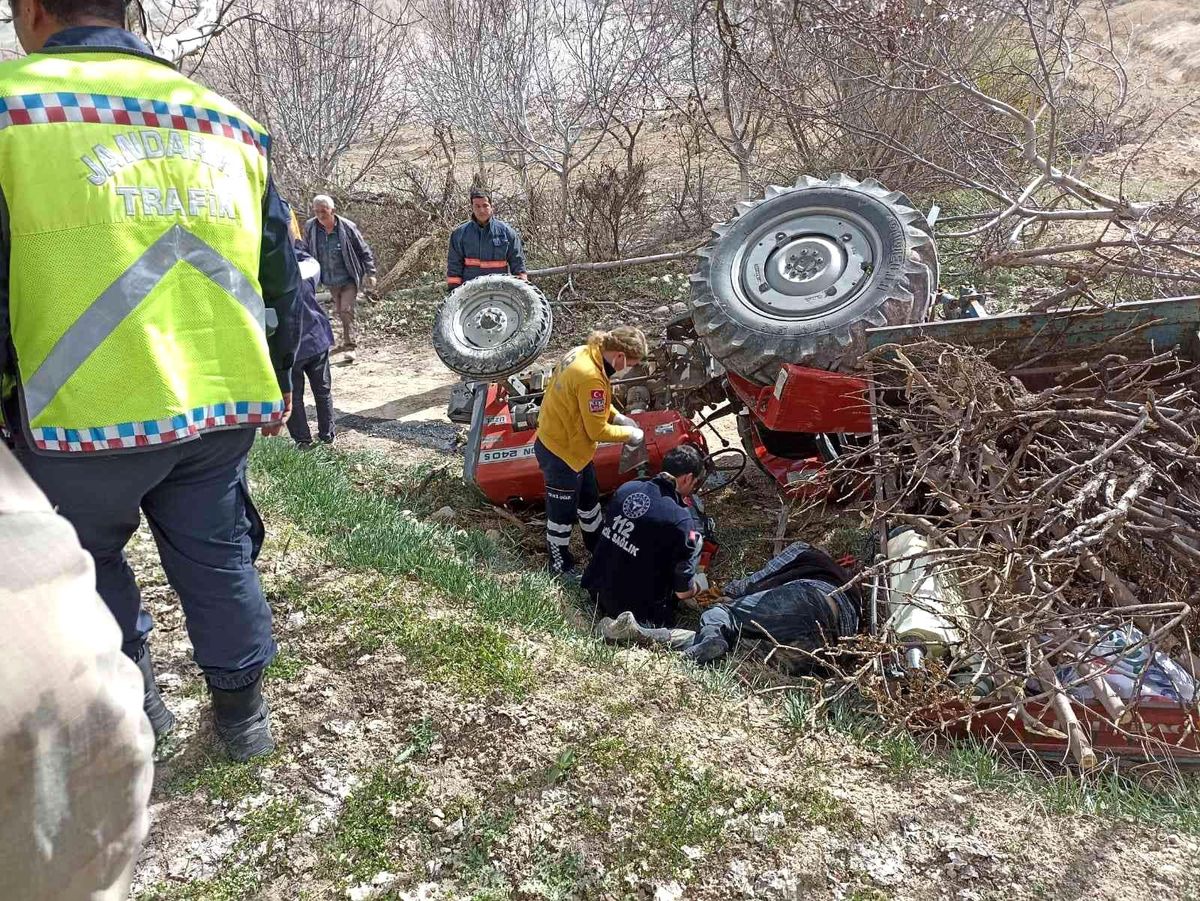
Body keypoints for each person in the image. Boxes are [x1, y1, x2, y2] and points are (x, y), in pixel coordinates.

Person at [0, 0, 300, 761]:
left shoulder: (13, 110)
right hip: (218, 396)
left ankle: (141, 710)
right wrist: (283, 367)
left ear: (33, 11)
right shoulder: (229, 122)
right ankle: (243, 720)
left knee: (86, 561)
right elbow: (279, 275)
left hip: (78, 413)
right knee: (218, 554)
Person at [1, 445, 154, 901]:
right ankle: (243, 718)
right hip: (216, 418)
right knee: (216, 555)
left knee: (101, 553)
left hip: (79, 435)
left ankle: (163, 705)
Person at [600, 542, 862, 672]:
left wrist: (725, 596)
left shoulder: (804, 551)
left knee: (720, 615)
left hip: (809, 601)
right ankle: (642, 633)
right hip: (826, 649)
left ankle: (696, 652)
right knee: (734, 645)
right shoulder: (856, 593)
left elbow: (754, 583)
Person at [533, 326, 649, 577]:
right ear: (619, 356)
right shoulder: (591, 377)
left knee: (589, 500)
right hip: (561, 453)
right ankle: (559, 564)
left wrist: (618, 418)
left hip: (574, 448)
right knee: (561, 515)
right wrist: (629, 434)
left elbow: (592, 404)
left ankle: (596, 544)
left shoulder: (584, 353)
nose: (629, 368)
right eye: (632, 363)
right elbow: (596, 430)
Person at [583, 444, 707, 628]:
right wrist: (697, 585)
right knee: (695, 541)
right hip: (636, 613)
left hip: (596, 589)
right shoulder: (681, 519)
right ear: (688, 478)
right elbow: (682, 593)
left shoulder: (627, 489)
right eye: (695, 483)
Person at [303, 194, 376, 351]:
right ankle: (345, 339)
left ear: (332, 210)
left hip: (349, 276)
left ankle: (350, 346)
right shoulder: (311, 227)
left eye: (324, 211)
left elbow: (363, 250)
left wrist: (371, 273)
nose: (320, 215)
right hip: (330, 279)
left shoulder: (347, 227)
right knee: (340, 311)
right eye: (317, 211)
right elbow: (306, 250)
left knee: (346, 309)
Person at [288, 231, 336, 448]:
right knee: (322, 390)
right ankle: (327, 436)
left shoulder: (267, 276)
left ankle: (303, 442)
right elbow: (307, 258)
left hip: (289, 346)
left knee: (292, 396)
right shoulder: (309, 268)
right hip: (316, 338)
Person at [446, 188, 528, 291]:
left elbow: (518, 263)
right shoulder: (459, 234)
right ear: (472, 207)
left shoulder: (507, 232)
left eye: (485, 205)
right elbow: (454, 266)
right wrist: (454, 293)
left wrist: (523, 290)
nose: (481, 210)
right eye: (477, 206)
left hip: (500, 291)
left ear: (491, 206)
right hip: (470, 293)